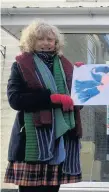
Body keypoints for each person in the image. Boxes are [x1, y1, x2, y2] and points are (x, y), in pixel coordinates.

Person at [4, 19, 83, 192]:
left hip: (59, 141)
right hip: (31, 142)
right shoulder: (21, 65)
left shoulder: (66, 67)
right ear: (31, 41)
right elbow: (15, 100)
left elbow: (78, 104)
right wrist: (51, 98)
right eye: (41, 39)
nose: (46, 43)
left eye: (50, 39)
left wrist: (82, 79)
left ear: (56, 42)